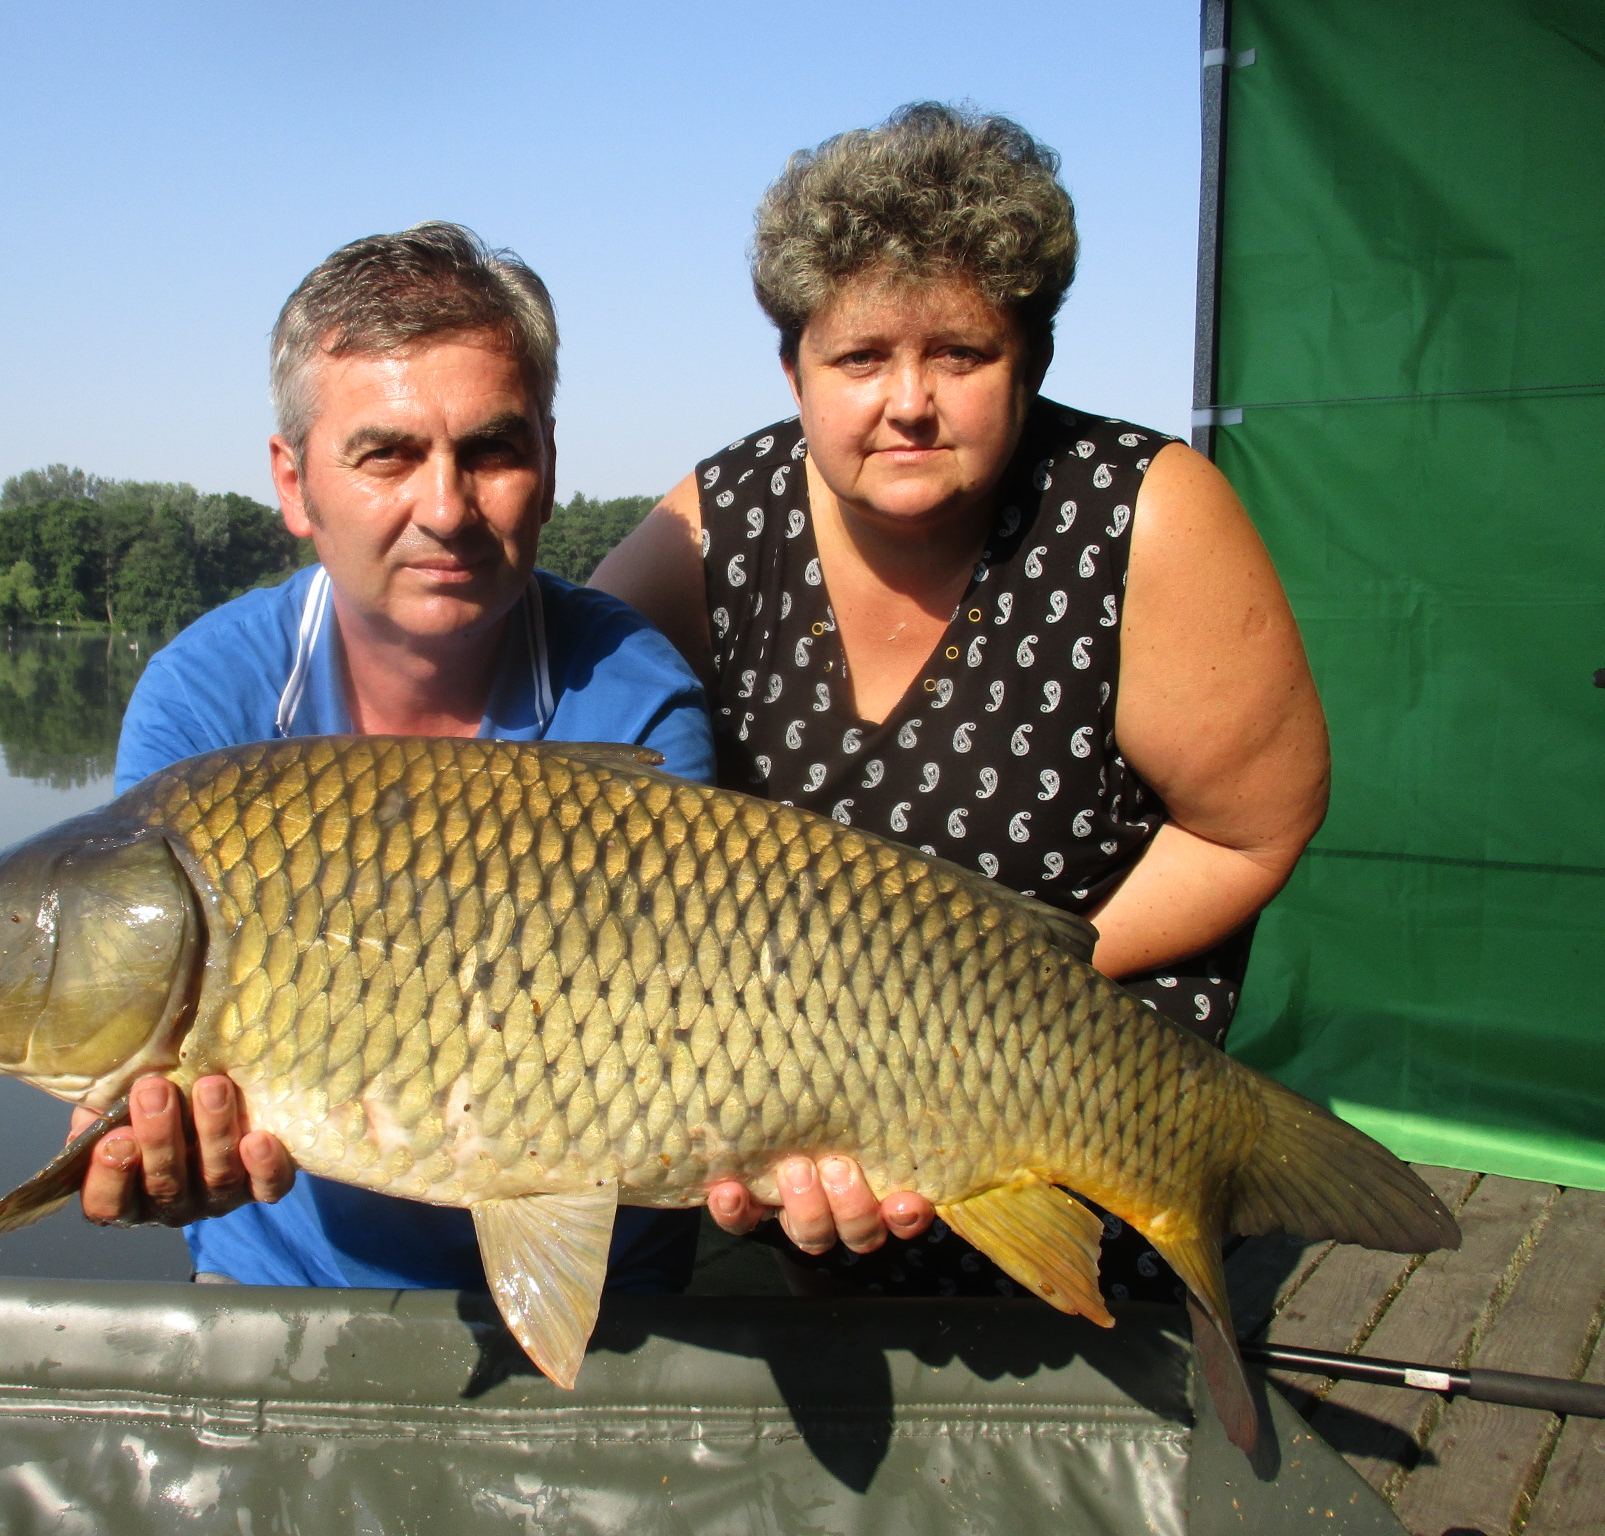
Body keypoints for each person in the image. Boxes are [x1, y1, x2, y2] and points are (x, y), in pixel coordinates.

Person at [591, 103, 1329, 1300]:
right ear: (792, 371)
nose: (907, 402)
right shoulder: (715, 524)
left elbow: (1252, 826)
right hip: (794, 1143)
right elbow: (561, 731)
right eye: (857, 359)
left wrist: (981, 996)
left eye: (960, 354)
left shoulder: (1141, 513)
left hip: (1087, 1115)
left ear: (1031, 358)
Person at [77, 222, 715, 1294]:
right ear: (293, 484)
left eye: (492, 451)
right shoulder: (206, 704)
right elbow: (143, 1037)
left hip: (612, 1282)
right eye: (387, 455)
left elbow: (696, 1038)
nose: (446, 509)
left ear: (549, 465)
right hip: (286, 1288)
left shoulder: (632, 693)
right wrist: (131, 1134)